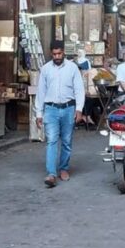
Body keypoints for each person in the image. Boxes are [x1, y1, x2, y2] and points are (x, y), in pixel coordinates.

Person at [35, 41, 85, 188]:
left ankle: (63, 168)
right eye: (54, 54)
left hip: (69, 108)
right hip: (50, 109)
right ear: (51, 53)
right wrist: (39, 113)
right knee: (51, 141)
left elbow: (79, 90)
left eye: (59, 54)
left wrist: (79, 109)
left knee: (67, 141)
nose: (57, 56)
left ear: (63, 52)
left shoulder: (72, 68)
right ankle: (51, 173)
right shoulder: (45, 69)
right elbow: (41, 92)